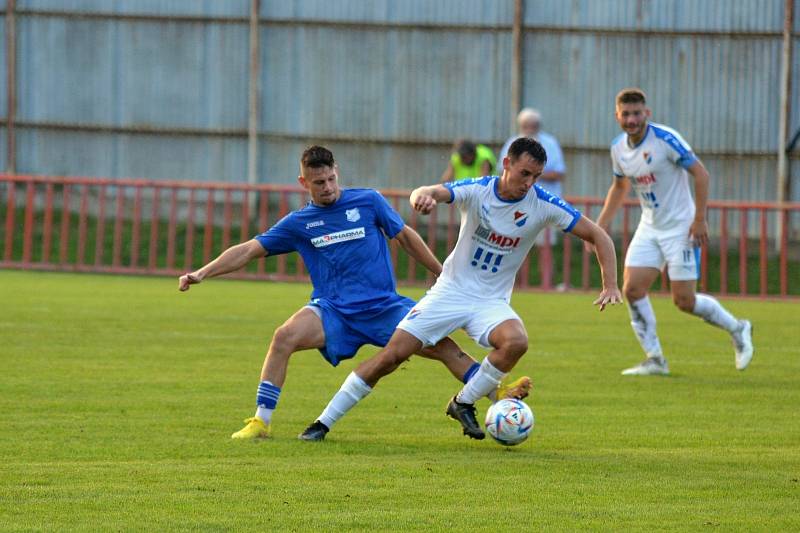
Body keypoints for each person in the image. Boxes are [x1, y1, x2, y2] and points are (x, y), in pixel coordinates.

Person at [178, 146, 530, 440]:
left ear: (337, 172)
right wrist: (202, 272)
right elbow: (248, 250)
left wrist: (441, 273)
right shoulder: (299, 223)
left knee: (445, 348)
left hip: (385, 308)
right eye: (319, 182)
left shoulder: (367, 201)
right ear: (304, 182)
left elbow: (405, 236)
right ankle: (261, 421)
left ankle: (496, 391)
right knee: (283, 336)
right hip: (334, 312)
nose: (327, 187)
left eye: (331, 178)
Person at [299, 137, 622, 442]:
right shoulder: (478, 190)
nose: (529, 183)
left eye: (535, 176)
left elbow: (599, 236)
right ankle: (322, 423)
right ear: (506, 163)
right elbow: (432, 191)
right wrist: (421, 196)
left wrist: (610, 284)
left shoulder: (543, 204)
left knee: (516, 341)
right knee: (391, 357)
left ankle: (463, 402)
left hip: (490, 301)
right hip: (450, 292)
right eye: (524, 173)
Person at [593, 87, 753, 376]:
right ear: (617, 116)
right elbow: (619, 187)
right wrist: (600, 226)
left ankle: (738, 328)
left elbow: (701, 173)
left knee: (684, 301)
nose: (632, 119)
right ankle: (655, 359)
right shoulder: (618, 148)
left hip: (681, 226)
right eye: (626, 114)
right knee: (631, 288)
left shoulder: (665, 139)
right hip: (650, 225)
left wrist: (700, 219)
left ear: (647, 113)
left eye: (637, 113)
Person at [499, 108, 567, 289]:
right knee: (510, 246)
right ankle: (513, 285)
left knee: (544, 248)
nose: (529, 129)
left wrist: (530, 173)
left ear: (538, 126)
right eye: (525, 126)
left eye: (533, 126)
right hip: (515, 204)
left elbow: (559, 173)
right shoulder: (512, 143)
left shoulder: (550, 143)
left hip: (543, 205)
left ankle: (547, 286)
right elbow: (502, 171)